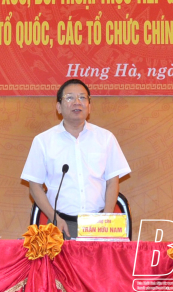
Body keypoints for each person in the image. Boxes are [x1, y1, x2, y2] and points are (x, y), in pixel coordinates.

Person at [21, 79, 131, 239]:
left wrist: (106, 219)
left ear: (89, 106)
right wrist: (55, 218)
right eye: (70, 98)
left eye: (82, 97)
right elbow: (34, 186)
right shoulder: (43, 141)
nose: (77, 102)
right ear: (59, 107)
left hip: (98, 223)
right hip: (60, 225)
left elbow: (112, 181)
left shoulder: (105, 138)